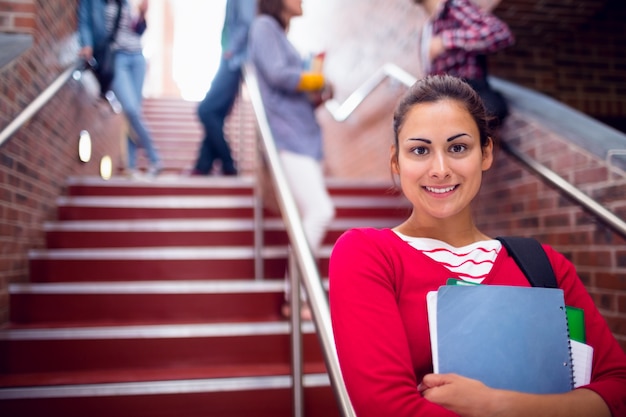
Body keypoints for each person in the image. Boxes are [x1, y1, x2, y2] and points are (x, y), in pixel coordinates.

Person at [329, 75, 626, 417]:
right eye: (420, 150)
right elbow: (387, 408)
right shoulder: (368, 254)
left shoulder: (546, 265)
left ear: (485, 153)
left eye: (458, 148)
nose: (440, 169)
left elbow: (617, 388)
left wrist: (495, 404)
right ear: (397, 162)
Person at [248, 0, 335, 319]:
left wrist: (318, 92)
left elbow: (291, 85)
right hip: (287, 138)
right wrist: (316, 80)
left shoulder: (281, 36)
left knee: (307, 218)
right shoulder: (263, 27)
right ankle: (297, 296)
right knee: (321, 211)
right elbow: (277, 74)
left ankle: (296, 296)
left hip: (303, 135)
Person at [78, 0, 162, 178]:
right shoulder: (92, 2)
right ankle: (155, 158)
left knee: (134, 114)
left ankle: (130, 166)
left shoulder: (124, 2)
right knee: (131, 109)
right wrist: (87, 45)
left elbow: (135, 30)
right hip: (116, 59)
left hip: (137, 58)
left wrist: (141, 14)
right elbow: (84, 22)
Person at [415, 0, 514, 128]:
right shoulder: (427, 30)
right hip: (448, 103)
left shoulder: (454, 7)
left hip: (470, 93)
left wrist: (446, 40)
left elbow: (499, 32)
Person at [191, 0, 256, 176]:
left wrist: (231, 49)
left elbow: (247, 21)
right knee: (215, 114)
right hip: (232, 58)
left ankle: (228, 164)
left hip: (234, 60)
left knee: (206, 110)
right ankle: (203, 165)